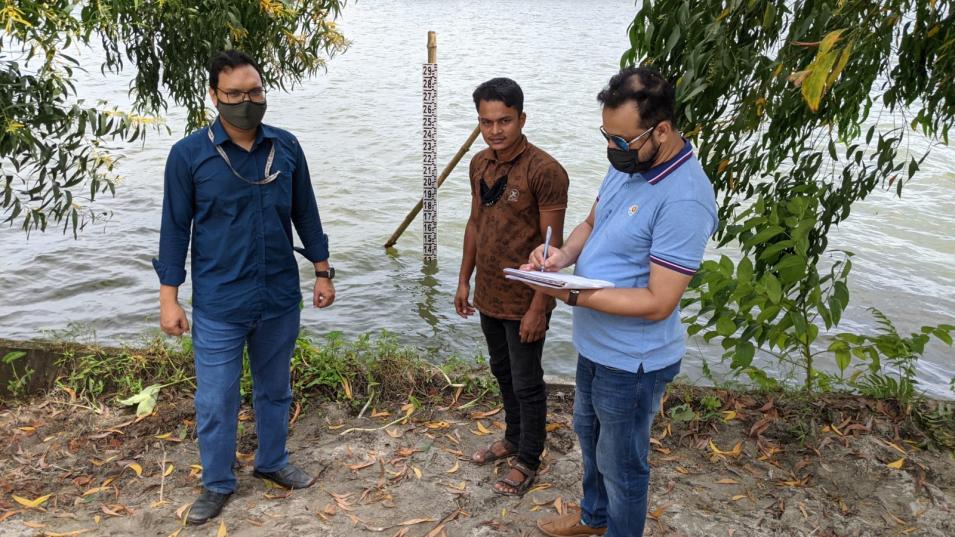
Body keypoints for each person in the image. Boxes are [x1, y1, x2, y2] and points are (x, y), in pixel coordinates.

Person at [522, 67, 718, 537]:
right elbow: (592, 221)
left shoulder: (685, 198)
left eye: (623, 141)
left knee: (623, 463)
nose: (613, 150)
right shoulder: (630, 165)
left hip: (633, 361)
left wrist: (574, 294)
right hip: (597, 344)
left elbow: (658, 302)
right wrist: (561, 255)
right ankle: (594, 519)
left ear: (662, 131)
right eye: (607, 138)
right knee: (589, 438)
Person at [153, 50, 336, 525]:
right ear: (214, 96)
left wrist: (322, 270)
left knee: (275, 390)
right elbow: (175, 229)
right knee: (216, 399)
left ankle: (272, 462)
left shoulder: (287, 146)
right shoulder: (189, 155)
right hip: (219, 301)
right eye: (234, 94)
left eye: (254, 92)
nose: (245, 102)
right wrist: (169, 298)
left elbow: (306, 212)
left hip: (278, 296)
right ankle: (217, 482)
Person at [455, 77, 569, 496]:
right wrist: (463, 280)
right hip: (488, 291)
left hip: (526, 297)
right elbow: (474, 223)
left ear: (521, 118)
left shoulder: (545, 170)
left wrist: (540, 306)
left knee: (527, 380)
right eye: (486, 122)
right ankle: (513, 437)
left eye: (504, 120)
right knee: (501, 370)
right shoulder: (479, 164)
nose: (495, 130)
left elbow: (551, 245)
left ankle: (529, 458)